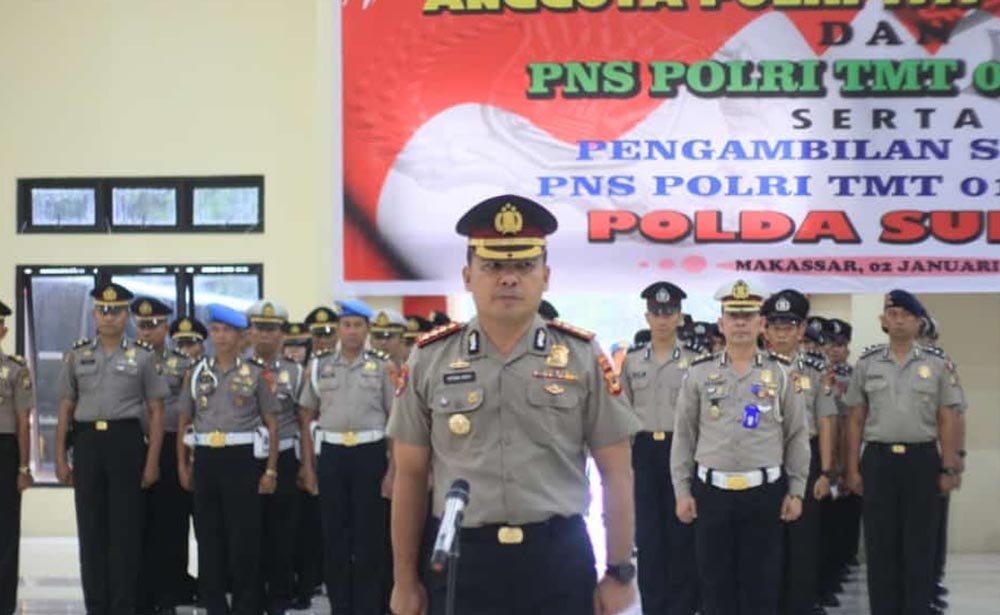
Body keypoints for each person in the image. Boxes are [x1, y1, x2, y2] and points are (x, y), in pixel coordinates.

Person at [386, 194, 640, 615]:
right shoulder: (430, 358)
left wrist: (619, 571)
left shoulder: (582, 356)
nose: (508, 279)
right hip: (462, 561)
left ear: (546, 276)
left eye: (524, 266)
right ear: (468, 277)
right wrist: (404, 580)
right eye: (492, 266)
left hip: (557, 559)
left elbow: (617, 472)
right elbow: (410, 476)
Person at [671, 279, 809, 615]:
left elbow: (796, 435)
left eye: (748, 315)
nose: (741, 323)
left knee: (761, 589)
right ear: (722, 323)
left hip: (764, 495)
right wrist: (682, 491)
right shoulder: (699, 372)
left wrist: (797, 490)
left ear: (761, 323)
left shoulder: (781, 372)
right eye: (734, 315)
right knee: (715, 589)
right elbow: (684, 436)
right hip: (712, 495)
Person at [844, 290, 964, 615]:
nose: (899, 321)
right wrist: (852, 468)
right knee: (880, 545)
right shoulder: (867, 364)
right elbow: (855, 419)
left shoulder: (937, 364)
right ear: (883, 320)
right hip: (878, 461)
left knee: (920, 545)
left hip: (922, 460)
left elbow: (948, 417)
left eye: (906, 316)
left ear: (918, 322)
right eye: (893, 314)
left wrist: (949, 466)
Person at [55, 282, 168, 615]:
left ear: (126, 316)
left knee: (125, 532)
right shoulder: (77, 355)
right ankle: (96, 606)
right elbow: (65, 408)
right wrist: (59, 457)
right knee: (91, 531)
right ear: (94, 315)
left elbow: (156, 411)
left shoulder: (143, 357)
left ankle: (123, 606)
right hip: (88, 443)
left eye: (116, 311)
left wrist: (152, 462)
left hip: (126, 443)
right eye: (103, 311)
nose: (109, 317)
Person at [176, 303, 280, 615]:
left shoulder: (257, 373)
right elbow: (184, 421)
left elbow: (272, 423)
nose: (221, 337)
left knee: (244, 538)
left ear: (241, 337)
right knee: (209, 538)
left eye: (228, 331)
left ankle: (246, 606)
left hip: (242, 459)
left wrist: (271, 470)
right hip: (206, 458)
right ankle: (215, 606)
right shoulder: (197, 373)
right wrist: (183, 464)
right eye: (216, 330)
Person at [298, 298, 395, 615]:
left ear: (367, 330)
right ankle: (341, 607)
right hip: (332, 454)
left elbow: (395, 419)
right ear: (338, 329)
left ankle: (368, 607)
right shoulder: (320, 366)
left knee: (369, 537)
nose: (351, 331)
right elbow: (306, 416)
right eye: (346, 325)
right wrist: (308, 467)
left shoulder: (383, 367)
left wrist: (393, 470)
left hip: (370, 454)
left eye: (357, 325)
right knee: (334, 536)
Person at [621, 281, 699, 615]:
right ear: (647, 317)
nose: (663, 319)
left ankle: (682, 608)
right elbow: (623, 413)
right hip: (643, 452)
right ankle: (653, 607)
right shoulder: (632, 361)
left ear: (679, 317)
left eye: (669, 312)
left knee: (682, 534)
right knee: (649, 537)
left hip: (681, 451)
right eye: (656, 312)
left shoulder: (695, 361)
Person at [760, 291, 838, 615]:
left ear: (801, 329)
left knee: (803, 544)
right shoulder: (752, 366)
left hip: (806, 460)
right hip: (764, 460)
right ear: (765, 329)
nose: (782, 334)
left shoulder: (816, 370)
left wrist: (826, 472)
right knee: (767, 543)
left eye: (789, 326)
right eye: (776, 326)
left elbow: (826, 419)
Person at [131, 297, 195, 615]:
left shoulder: (182, 364)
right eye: (142, 325)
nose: (147, 331)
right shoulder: (125, 359)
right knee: (135, 523)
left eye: (154, 325)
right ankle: (140, 595)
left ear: (166, 328)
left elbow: (187, 412)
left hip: (170, 445)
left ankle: (169, 594)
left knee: (171, 523)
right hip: (133, 445)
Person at [247, 300, 305, 615]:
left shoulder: (295, 372)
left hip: (283, 456)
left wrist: (306, 465)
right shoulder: (240, 369)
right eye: (260, 328)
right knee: (249, 530)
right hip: (246, 458)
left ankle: (280, 597)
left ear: (282, 334)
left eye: (272, 329)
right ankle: (252, 597)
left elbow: (304, 419)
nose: (265, 335)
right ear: (250, 332)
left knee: (283, 531)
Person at [0, 299, 33, 615]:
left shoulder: (15, 368)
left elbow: (24, 421)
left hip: (4, 451)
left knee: (5, 530)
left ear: (3, 331)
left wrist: (24, 467)